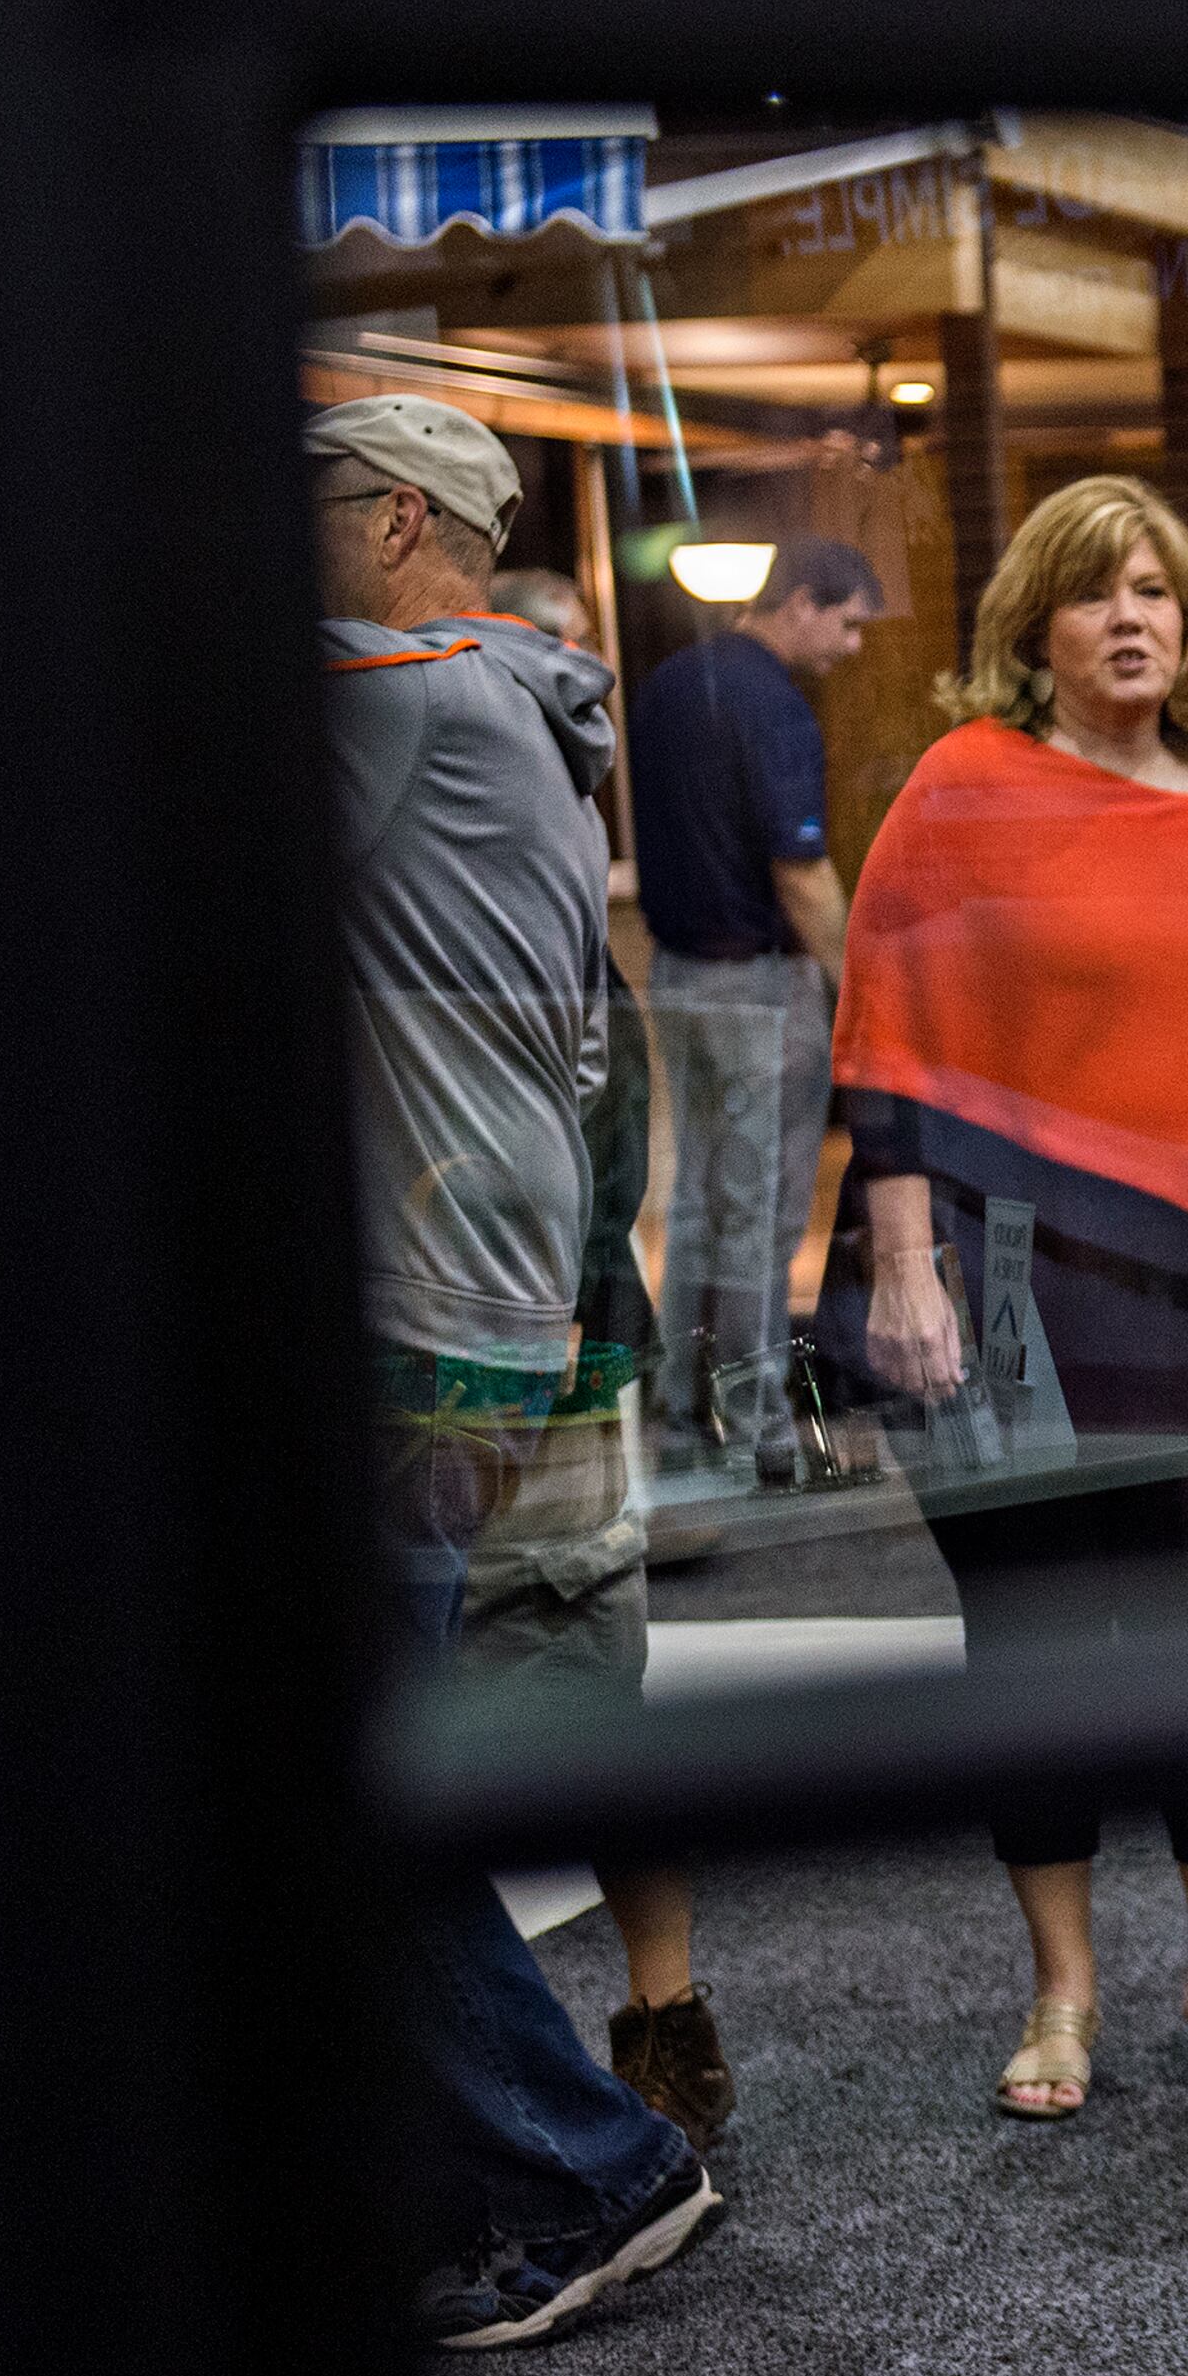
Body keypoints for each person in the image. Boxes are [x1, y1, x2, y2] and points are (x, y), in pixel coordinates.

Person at [822, 475, 1188, 2121]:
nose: (1132, 617)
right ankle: (1062, 1989)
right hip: (1016, 1282)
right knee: (1036, 1643)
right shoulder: (965, 786)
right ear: (1033, 626)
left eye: (1156, 590)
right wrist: (903, 1266)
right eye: (1095, 591)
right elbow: (888, 1032)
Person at [313, 392, 715, 2342]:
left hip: (416, 1309)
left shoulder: (404, 694)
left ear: (396, 522)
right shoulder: (517, 710)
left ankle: (586, 2165)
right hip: (475, 1297)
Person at [468, 567, 734, 2153]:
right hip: (463, 1333)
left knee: (583, 1677)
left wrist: (558, 1305)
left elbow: (601, 1120)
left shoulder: (535, 853)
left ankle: (665, 2016)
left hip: (547, 1340)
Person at [629, 535, 882, 1476]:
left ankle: (679, 1420)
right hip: (758, 986)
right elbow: (801, 872)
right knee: (763, 1217)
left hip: (677, 974)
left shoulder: (666, 684)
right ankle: (762, 1431)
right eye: (848, 624)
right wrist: (859, 990)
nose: (853, 646)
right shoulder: (774, 704)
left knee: (696, 1204)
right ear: (801, 602)